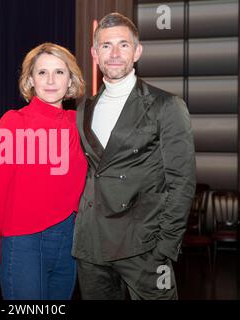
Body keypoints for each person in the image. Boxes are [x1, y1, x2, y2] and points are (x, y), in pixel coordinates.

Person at [72, 13, 196, 300]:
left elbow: (182, 182)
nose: (114, 54)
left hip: (144, 247)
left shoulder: (167, 106)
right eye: (106, 46)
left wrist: (164, 248)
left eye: (123, 45)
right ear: (94, 53)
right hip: (91, 247)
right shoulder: (83, 109)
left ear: (137, 51)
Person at [0, 42, 87, 300]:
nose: (51, 80)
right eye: (42, 72)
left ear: (70, 80)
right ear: (30, 80)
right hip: (23, 242)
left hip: (69, 241)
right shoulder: (14, 122)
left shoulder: (80, 124)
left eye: (59, 72)